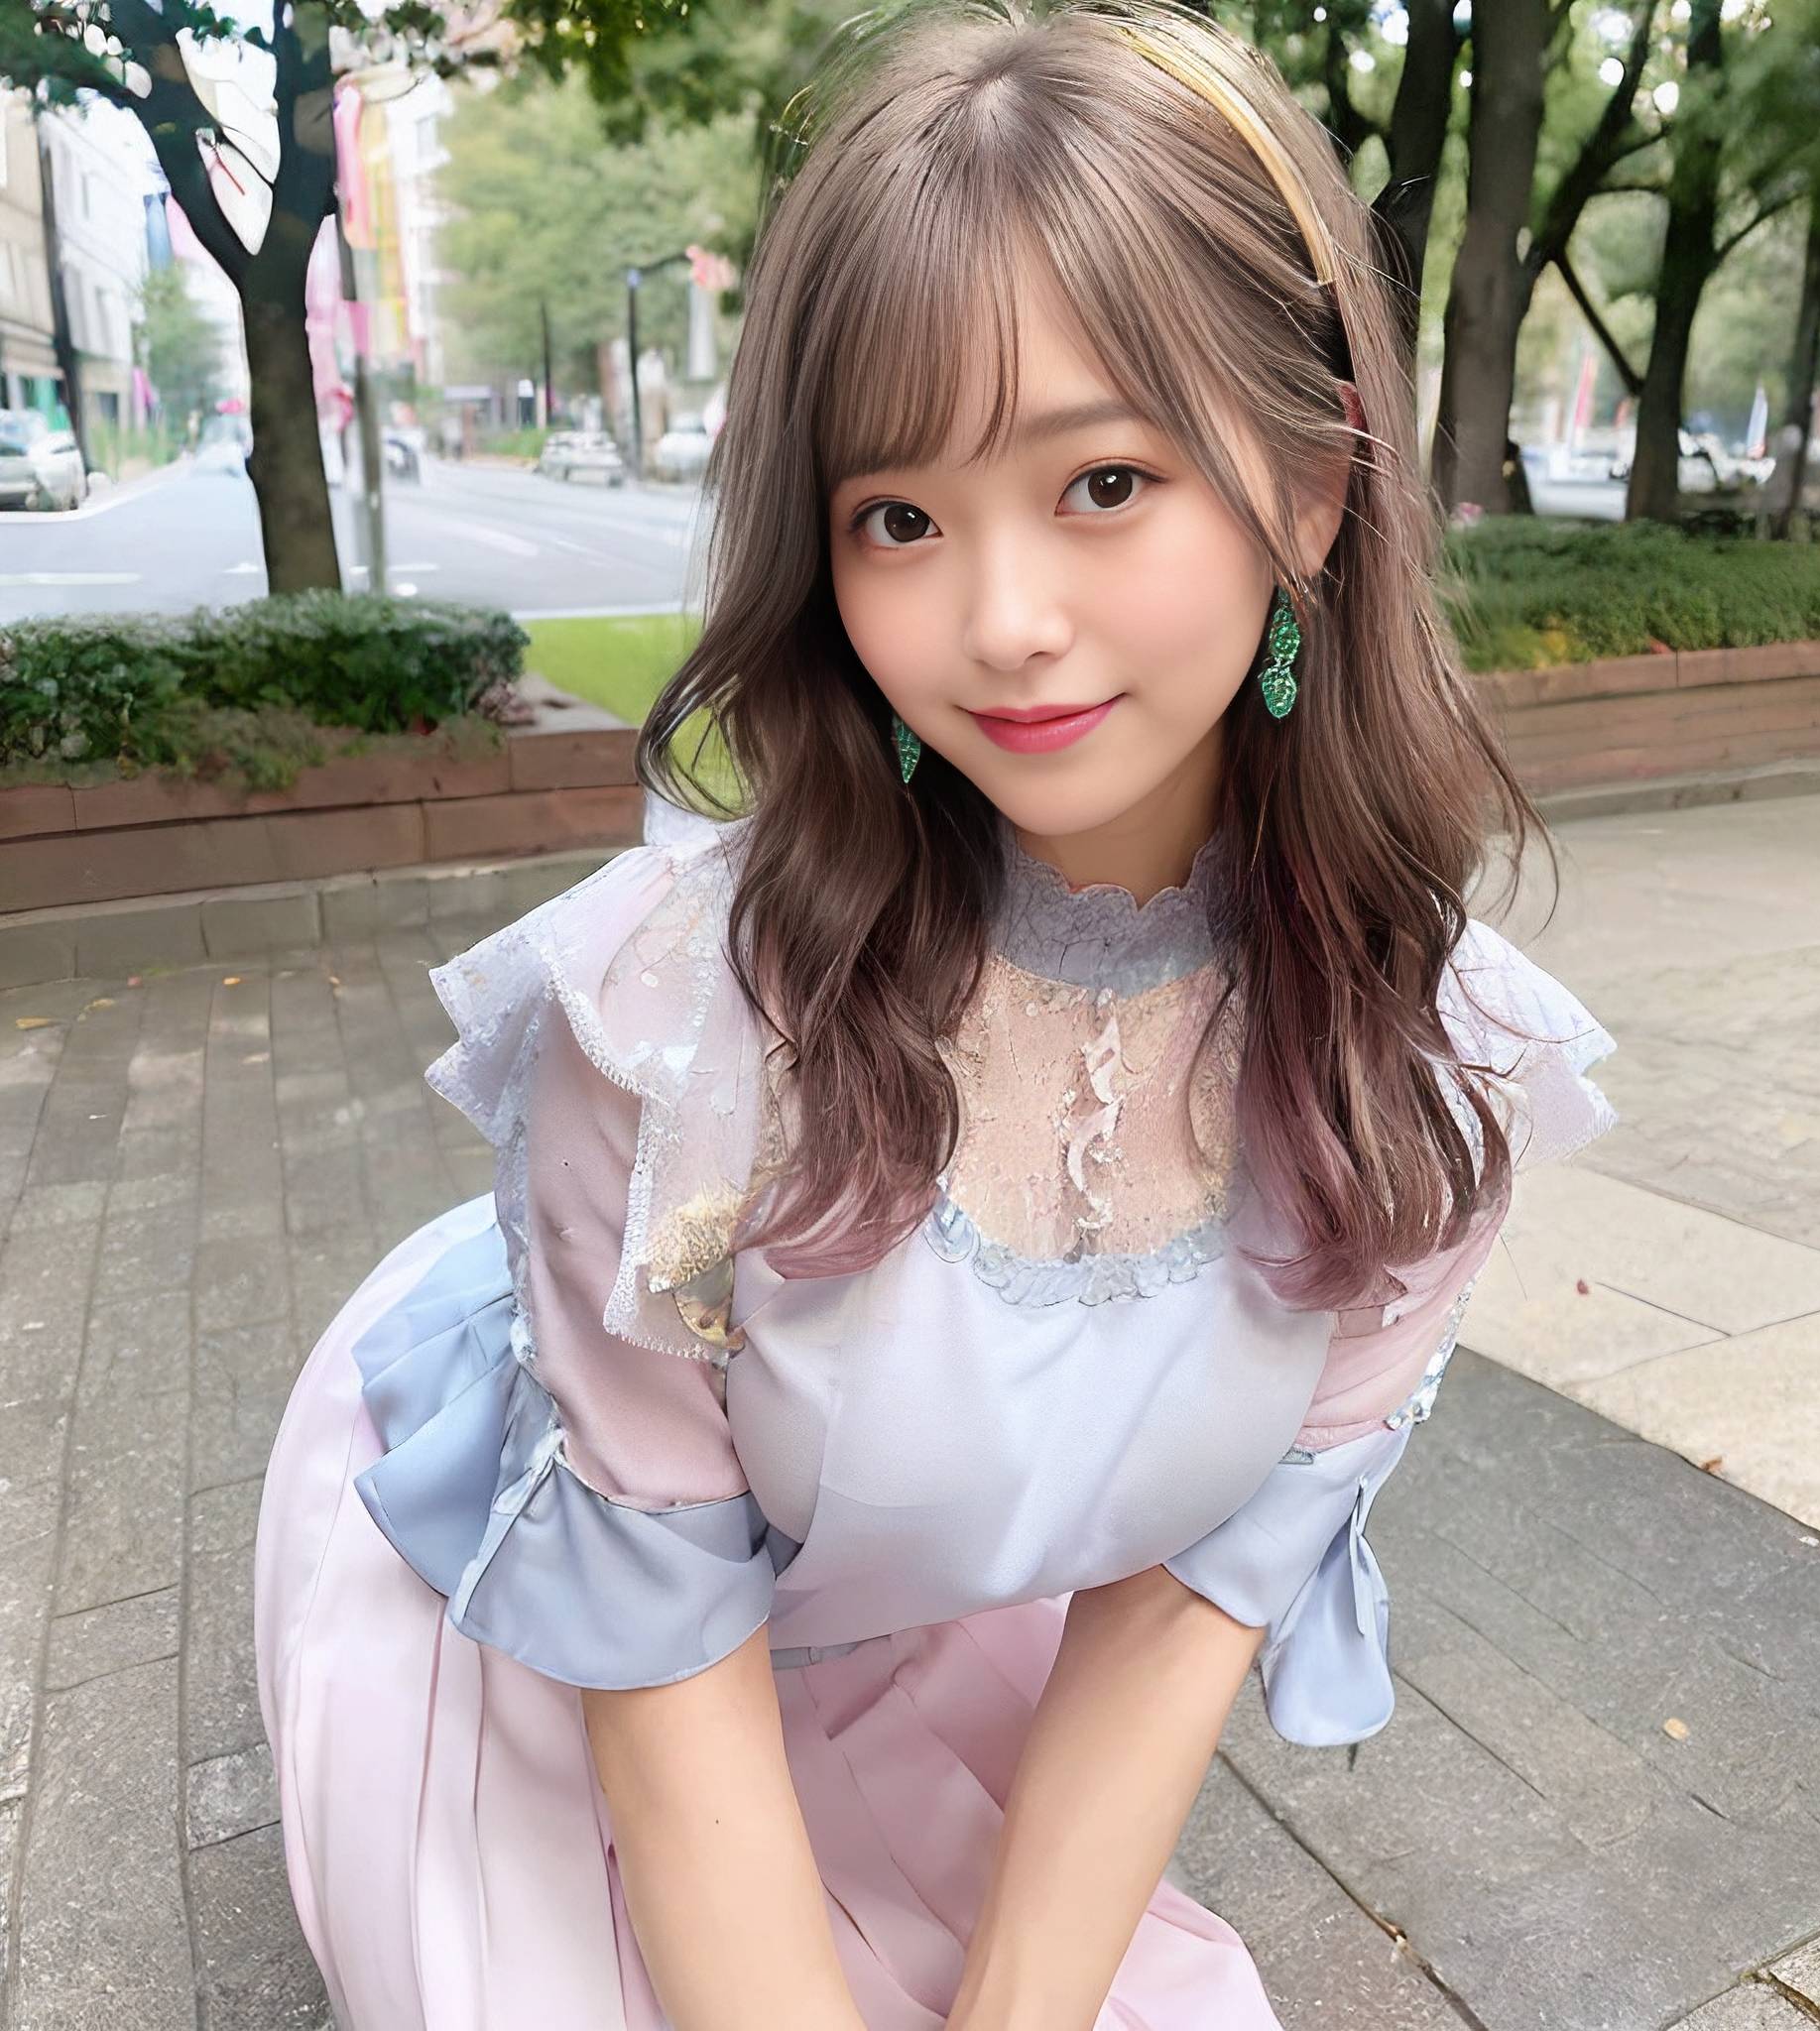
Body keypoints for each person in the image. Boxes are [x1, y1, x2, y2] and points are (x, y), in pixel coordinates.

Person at [251, 3, 1619, 2026]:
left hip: (888, 1600)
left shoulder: (1428, 1077)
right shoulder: (681, 1037)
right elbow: (653, 1641)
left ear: (1317, 491)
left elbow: (1172, 1619)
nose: (995, 623)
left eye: (1102, 482)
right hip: (539, 1617)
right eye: (897, 515)